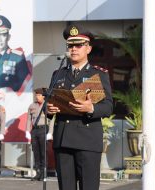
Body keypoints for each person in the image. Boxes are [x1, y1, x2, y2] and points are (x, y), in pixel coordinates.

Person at [47, 24, 113, 190]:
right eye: (70, 45)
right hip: (63, 141)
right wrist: (49, 110)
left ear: (88, 48)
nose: (74, 49)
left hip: (87, 140)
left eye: (78, 45)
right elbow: (50, 102)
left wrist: (91, 108)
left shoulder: (98, 74)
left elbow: (108, 107)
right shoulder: (58, 74)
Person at [0, 15, 30, 102]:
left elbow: (25, 87)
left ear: (8, 37)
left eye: (3, 35)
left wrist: (8, 94)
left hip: (8, 105)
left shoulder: (17, 57)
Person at [25, 88, 54, 181]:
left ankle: (44, 173)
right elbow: (29, 119)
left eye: (39, 95)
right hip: (35, 131)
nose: (37, 97)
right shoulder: (32, 106)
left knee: (43, 153)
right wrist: (27, 131)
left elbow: (52, 119)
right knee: (36, 152)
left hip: (44, 130)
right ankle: (38, 173)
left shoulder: (48, 105)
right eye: (36, 95)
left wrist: (50, 132)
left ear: (43, 96)